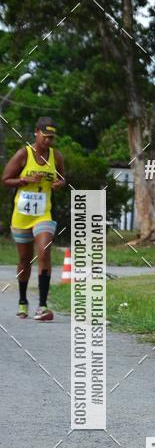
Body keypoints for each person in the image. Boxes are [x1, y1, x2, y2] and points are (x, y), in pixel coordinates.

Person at [2, 117, 65, 321]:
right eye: (45, 136)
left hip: (43, 214)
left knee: (44, 252)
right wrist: (24, 180)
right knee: (24, 260)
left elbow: (62, 178)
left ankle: (43, 305)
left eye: (51, 138)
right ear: (36, 133)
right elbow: (5, 180)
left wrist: (59, 183)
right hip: (22, 215)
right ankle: (22, 301)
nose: (48, 141)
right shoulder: (23, 154)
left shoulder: (56, 156)